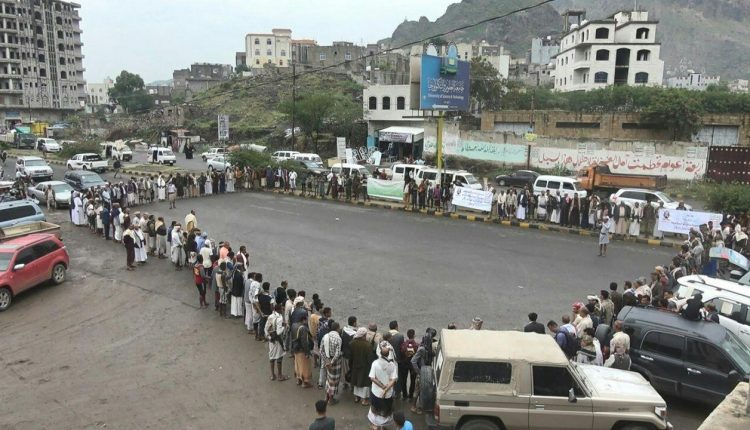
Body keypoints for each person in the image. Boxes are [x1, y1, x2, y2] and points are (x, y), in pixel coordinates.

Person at [368, 341, 398, 430]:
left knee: (375, 410)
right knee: (385, 410)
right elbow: (393, 379)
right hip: (388, 394)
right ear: (389, 354)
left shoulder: (375, 363)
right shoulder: (392, 365)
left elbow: (372, 378)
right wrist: (386, 389)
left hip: (376, 392)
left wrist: (382, 387)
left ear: (379, 353)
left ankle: (375, 426)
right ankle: (382, 426)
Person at [350, 327, 376, 405]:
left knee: (356, 381)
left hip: (355, 365)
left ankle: (356, 397)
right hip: (365, 367)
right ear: (364, 335)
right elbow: (370, 358)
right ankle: (364, 400)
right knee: (365, 383)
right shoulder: (368, 345)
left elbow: (351, 355)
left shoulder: (352, 343)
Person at [321, 321, 343, 405]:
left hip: (327, 361)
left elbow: (321, 350)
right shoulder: (338, 338)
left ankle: (326, 397)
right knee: (334, 381)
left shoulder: (325, 336)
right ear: (337, 328)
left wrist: (327, 361)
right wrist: (332, 362)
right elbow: (337, 354)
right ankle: (331, 399)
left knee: (329, 379)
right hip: (335, 363)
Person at [266, 303, 288, 381]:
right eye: (282, 309)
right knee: (279, 358)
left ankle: (272, 375)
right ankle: (280, 375)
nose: (282, 310)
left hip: (271, 339)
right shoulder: (280, 318)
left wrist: (268, 337)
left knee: (271, 357)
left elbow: (266, 329)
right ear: (279, 310)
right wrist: (283, 326)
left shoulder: (270, 316)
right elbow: (279, 332)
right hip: (278, 340)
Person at [292, 312, 314, 388]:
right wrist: (307, 352)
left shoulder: (294, 325)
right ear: (303, 319)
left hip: (295, 348)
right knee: (305, 366)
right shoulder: (303, 328)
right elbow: (304, 341)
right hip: (302, 350)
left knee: (298, 365)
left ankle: (299, 379)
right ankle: (305, 382)